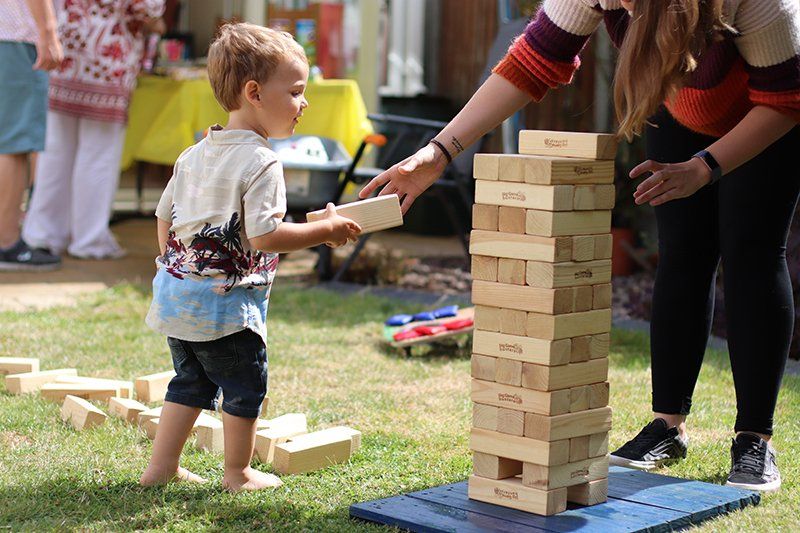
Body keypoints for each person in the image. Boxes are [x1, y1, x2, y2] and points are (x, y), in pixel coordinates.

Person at [361, 0, 800, 492]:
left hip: (767, 114)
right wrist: (439, 151)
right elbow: (530, 62)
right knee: (682, 253)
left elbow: (785, 98)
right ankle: (667, 426)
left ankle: (754, 438)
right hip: (678, 104)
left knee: (751, 254)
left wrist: (705, 166)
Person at [140, 23, 361, 491]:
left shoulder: (193, 153)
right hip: (227, 311)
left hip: (178, 300)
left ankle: (160, 470)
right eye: (296, 92)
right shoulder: (262, 161)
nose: (305, 103)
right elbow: (265, 236)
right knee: (244, 389)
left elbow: (164, 217)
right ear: (255, 93)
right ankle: (237, 473)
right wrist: (326, 230)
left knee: (189, 384)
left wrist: (181, 269)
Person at [21, 0, 165, 260]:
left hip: (65, 52)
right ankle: (89, 239)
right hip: (108, 60)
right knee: (98, 155)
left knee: (55, 151)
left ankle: (44, 233)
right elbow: (148, 8)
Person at [0, 0, 62, 271]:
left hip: (9, 38)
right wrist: (48, 32)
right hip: (16, 38)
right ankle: (6, 242)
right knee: (14, 144)